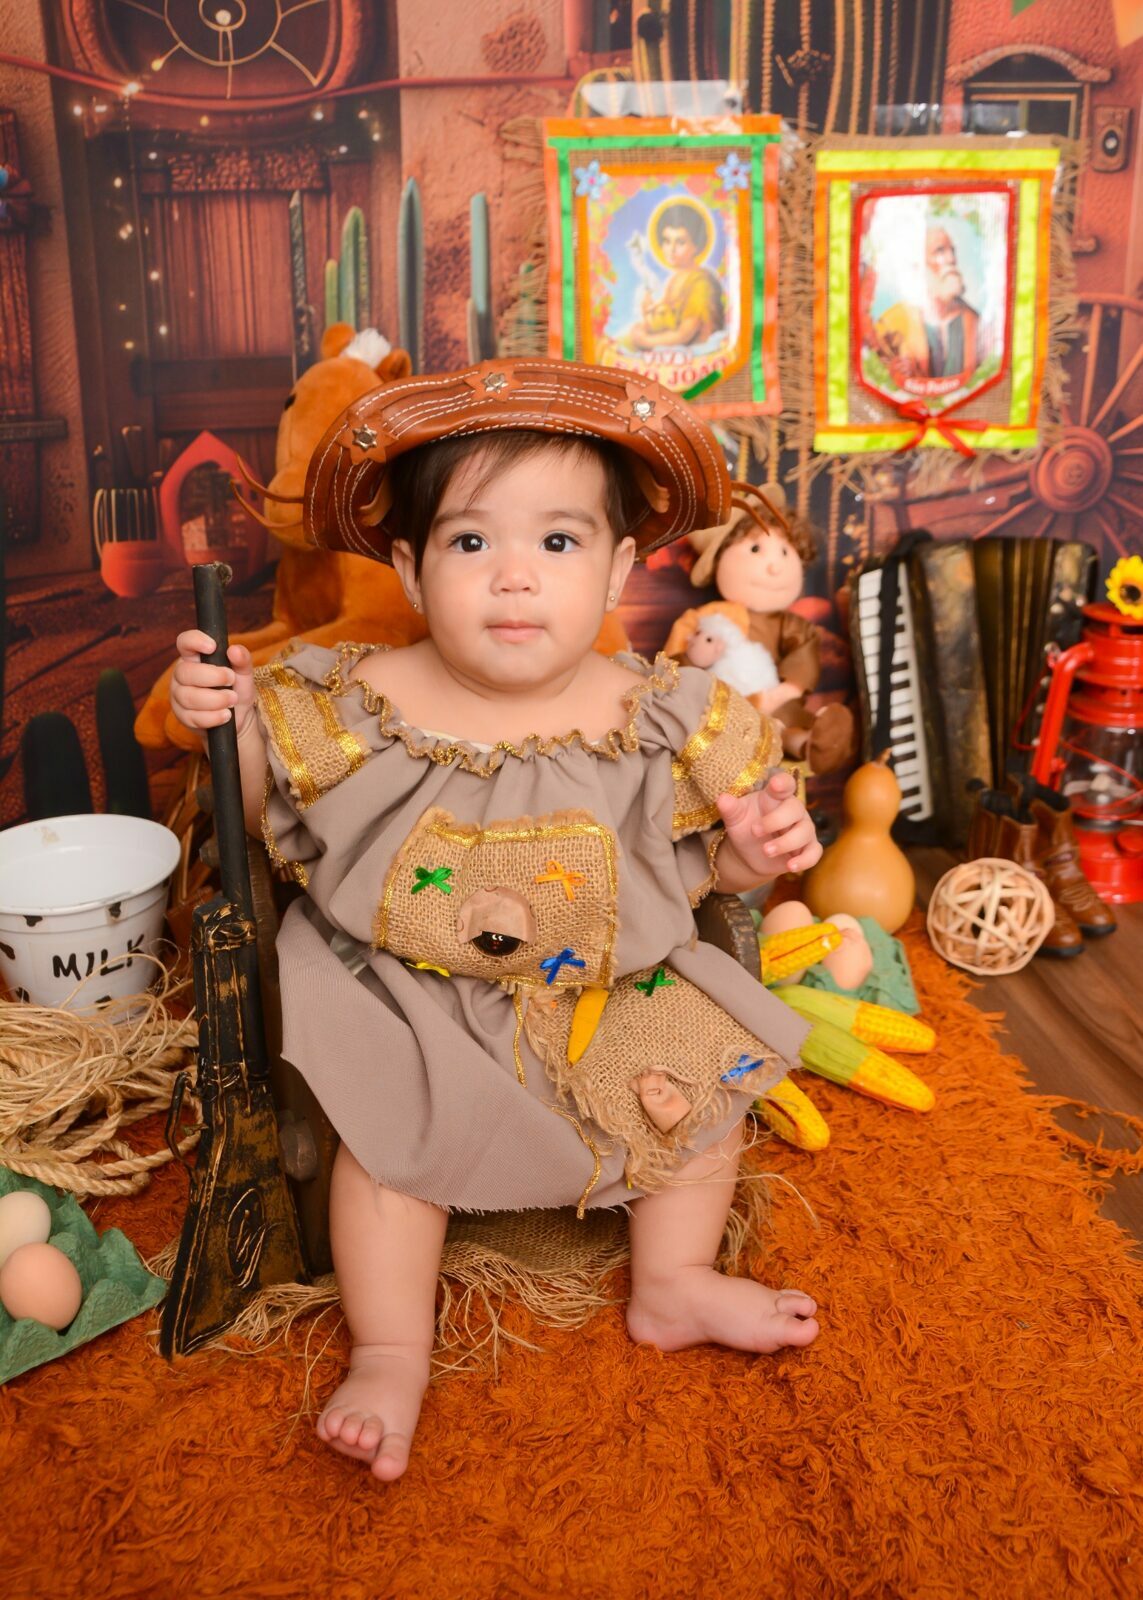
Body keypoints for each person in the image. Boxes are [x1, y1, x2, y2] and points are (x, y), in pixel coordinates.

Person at [169, 359, 823, 1486]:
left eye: (558, 542)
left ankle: (671, 1283)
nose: (514, 576)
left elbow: (704, 869)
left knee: (701, 1099)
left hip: (603, 984)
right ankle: (390, 1350)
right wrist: (217, 716)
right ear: (412, 572)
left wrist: (754, 851)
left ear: (617, 568)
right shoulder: (364, 699)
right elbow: (262, 794)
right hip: (406, 988)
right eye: (471, 542)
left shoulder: (652, 713)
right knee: (388, 1155)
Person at [867, 224, 981, 388]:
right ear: (918, 265)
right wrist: (895, 372)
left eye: (952, 251)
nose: (951, 259)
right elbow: (870, 365)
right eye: (940, 251)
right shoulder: (893, 321)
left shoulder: (974, 321)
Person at [624, 202, 725, 350]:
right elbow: (666, 320)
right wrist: (648, 311)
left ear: (696, 246)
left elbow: (685, 334)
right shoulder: (675, 280)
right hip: (673, 347)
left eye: (680, 242)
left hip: (695, 352)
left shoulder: (701, 283)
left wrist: (645, 340)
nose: (671, 249)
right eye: (667, 241)